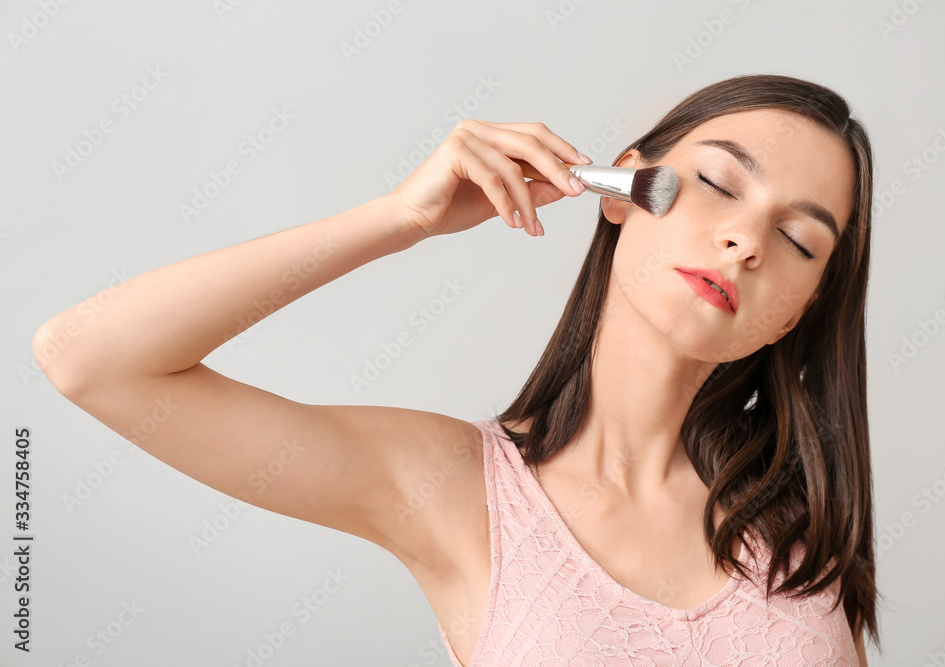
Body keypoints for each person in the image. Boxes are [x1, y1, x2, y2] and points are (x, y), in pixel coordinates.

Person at [35, 73, 880, 666]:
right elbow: (90, 359)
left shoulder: (805, 535)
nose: (747, 242)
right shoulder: (452, 487)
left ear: (800, 308)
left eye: (800, 241)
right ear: (623, 189)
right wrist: (399, 217)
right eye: (718, 185)